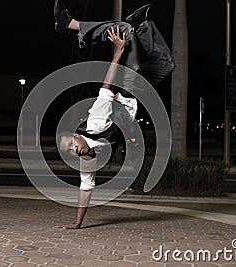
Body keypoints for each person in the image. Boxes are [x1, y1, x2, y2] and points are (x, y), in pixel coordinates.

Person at [54, 1, 174, 229]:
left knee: (123, 31)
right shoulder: (87, 162)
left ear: (76, 136)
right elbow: (85, 190)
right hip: (137, 96)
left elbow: (107, 86)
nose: (73, 150)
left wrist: (119, 52)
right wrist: (77, 223)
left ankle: (72, 25)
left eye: (70, 143)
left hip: (125, 87)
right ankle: (141, 25)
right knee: (166, 65)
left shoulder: (95, 123)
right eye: (69, 152)